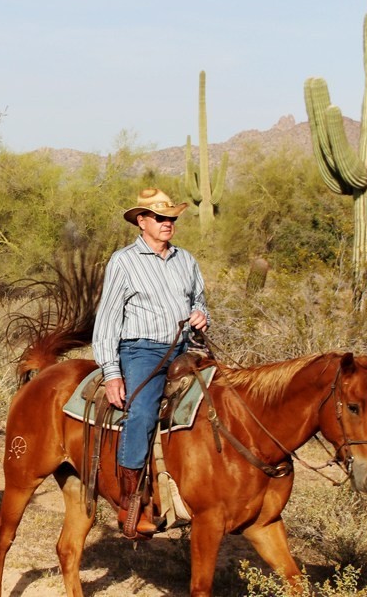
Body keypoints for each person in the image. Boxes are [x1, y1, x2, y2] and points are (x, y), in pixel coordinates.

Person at [91, 187, 209, 539]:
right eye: (160, 217)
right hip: (141, 350)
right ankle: (130, 501)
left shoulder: (186, 260)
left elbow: (199, 298)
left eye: (171, 217)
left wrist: (201, 314)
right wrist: (112, 373)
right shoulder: (124, 261)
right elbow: (108, 319)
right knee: (142, 412)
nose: (168, 223)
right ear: (142, 221)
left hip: (185, 347)